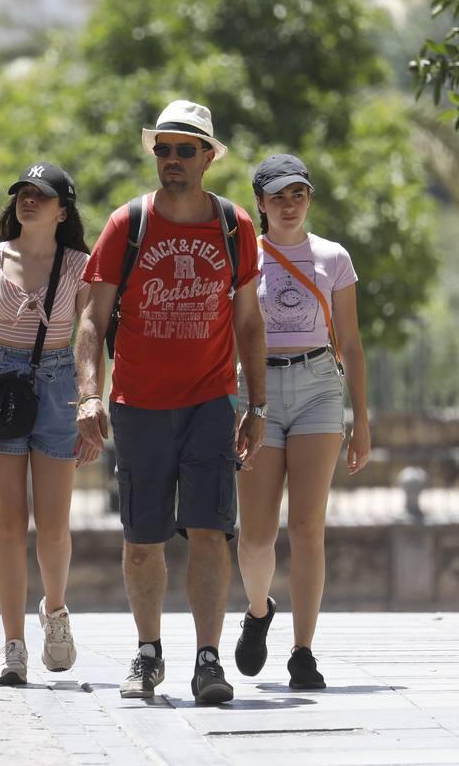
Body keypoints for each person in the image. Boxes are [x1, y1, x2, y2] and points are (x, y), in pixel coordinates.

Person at [74, 100, 266, 705]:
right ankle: (149, 653)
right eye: (163, 148)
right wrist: (88, 396)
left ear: (209, 156)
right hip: (138, 405)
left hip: (210, 403)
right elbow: (90, 319)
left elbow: (251, 324)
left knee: (210, 533)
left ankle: (209, 662)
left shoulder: (235, 227)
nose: (173, 159)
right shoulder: (127, 224)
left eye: (186, 149)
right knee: (141, 541)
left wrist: (256, 405)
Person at [0, 162, 92, 686]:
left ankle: (55, 611)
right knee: (8, 521)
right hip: (3, 383)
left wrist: (95, 403)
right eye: (23, 194)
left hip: (59, 387)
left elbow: (92, 339)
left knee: (52, 524)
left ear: (62, 210)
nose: (29, 201)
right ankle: (13, 647)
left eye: (41, 195)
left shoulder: (79, 266)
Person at [232, 154, 371, 690]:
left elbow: (353, 345)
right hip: (258, 391)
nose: (289, 206)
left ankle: (303, 652)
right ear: (261, 204)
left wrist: (361, 420)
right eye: (277, 197)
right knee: (257, 535)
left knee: (309, 526)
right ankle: (259, 608)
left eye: (298, 195)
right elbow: (230, 335)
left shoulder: (333, 257)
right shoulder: (245, 258)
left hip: (317, 387)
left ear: (309, 199)